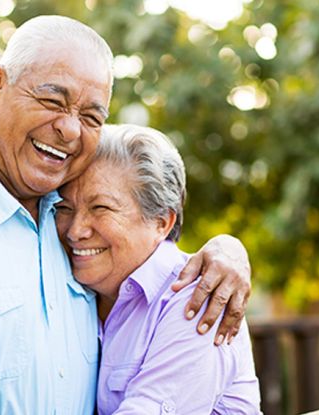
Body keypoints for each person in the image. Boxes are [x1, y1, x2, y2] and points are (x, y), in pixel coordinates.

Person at [0, 15, 251, 414]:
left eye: (91, 117)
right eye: (52, 100)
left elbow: (147, 244)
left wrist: (227, 250)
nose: (71, 130)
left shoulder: (67, 217)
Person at [56, 124, 261, 414]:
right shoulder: (74, 289)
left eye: (101, 208)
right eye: (64, 209)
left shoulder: (199, 295)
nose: (75, 231)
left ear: (161, 222)